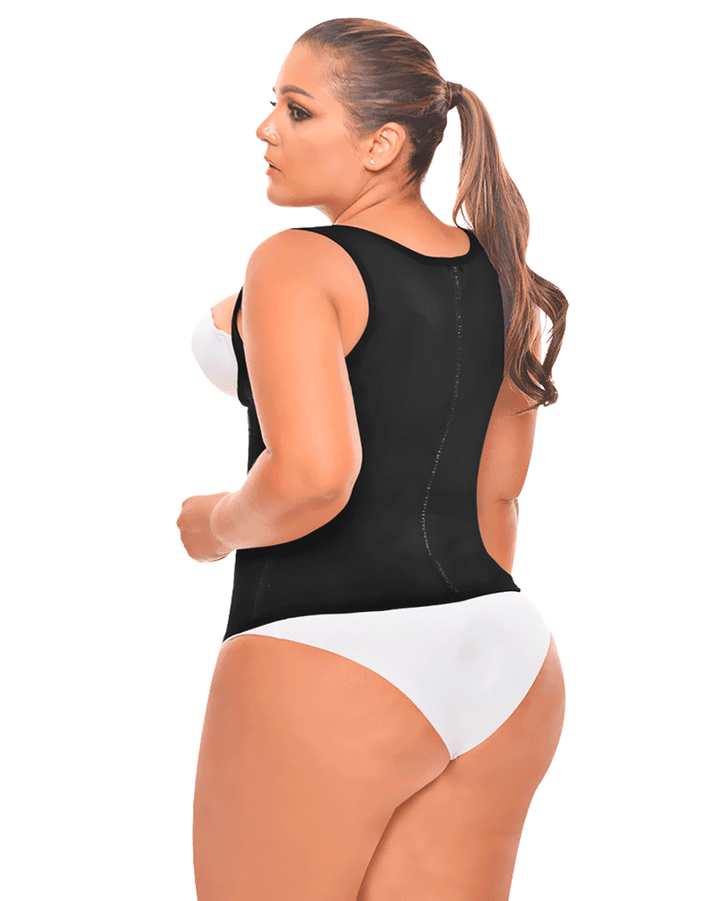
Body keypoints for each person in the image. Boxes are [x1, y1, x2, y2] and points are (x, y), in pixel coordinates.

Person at [178, 16, 569, 901]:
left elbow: (314, 476)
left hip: (328, 650)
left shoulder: (298, 262)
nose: (266, 129)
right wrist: (440, 647)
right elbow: (498, 499)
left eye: (297, 110)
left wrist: (214, 524)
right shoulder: (503, 276)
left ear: (382, 144)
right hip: (503, 656)